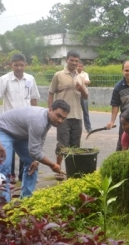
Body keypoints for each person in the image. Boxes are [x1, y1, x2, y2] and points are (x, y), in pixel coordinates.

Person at [0, 100, 70, 202]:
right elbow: (35, 152)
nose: (60, 120)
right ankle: (3, 205)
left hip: (20, 135)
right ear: (50, 109)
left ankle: (26, 200)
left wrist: (36, 160)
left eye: (63, 118)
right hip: (3, 130)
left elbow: (40, 141)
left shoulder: (49, 120)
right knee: (4, 165)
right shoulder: (38, 120)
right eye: (58, 116)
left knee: (32, 163)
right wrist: (53, 165)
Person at [0, 53, 40, 183]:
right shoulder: (4, 80)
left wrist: (36, 117)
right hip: (8, 124)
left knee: (27, 150)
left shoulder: (30, 79)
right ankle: (9, 176)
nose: (19, 68)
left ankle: (24, 175)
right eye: (16, 65)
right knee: (7, 151)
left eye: (21, 65)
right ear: (11, 65)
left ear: (25, 65)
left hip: (26, 122)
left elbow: (33, 98)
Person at [48, 50, 88, 180]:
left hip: (77, 116)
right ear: (67, 60)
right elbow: (51, 92)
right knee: (62, 144)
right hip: (62, 117)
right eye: (72, 60)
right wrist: (50, 110)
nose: (74, 63)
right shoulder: (58, 75)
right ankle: (59, 170)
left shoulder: (81, 77)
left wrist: (81, 88)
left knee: (75, 145)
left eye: (77, 61)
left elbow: (86, 96)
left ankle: (74, 171)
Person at [77, 60, 92, 132]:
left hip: (84, 95)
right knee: (76, 111)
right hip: (76, 95)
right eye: (78, 66)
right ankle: (77, 128)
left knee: (85, 111)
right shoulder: (74, 74)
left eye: (81, 66)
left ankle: (88, 128)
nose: (80, 68)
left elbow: (87, 81)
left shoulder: (85, 74)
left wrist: (83, 82)